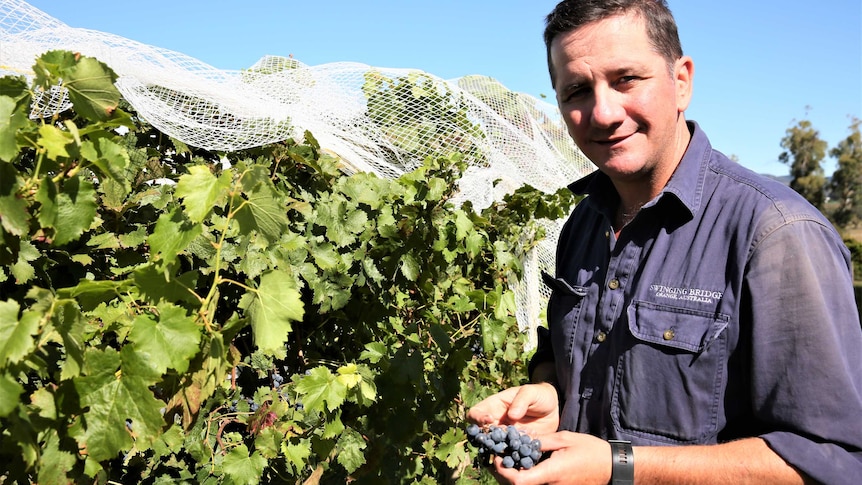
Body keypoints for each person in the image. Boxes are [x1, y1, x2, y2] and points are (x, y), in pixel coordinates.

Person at [466, 1, 862, 484]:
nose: (604, 113)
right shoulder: (582, 225)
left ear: (681, 82)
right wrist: (550, 395)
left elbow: (833, 461)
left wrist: (620, 467)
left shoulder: (777, 233)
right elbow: (561, 354)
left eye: (626, 79)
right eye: (577, 90)